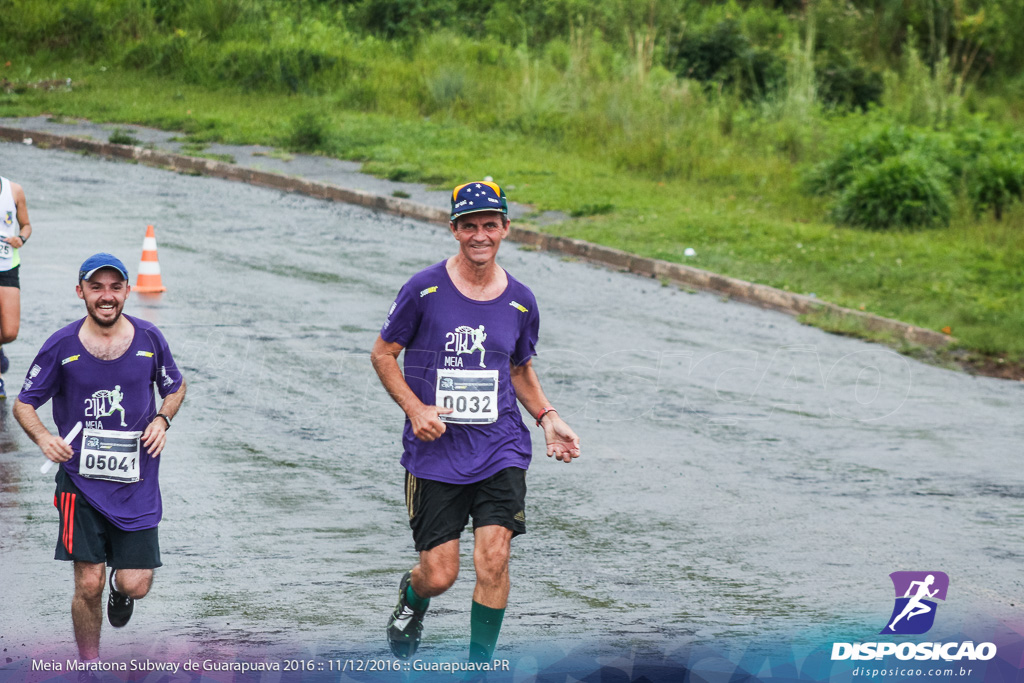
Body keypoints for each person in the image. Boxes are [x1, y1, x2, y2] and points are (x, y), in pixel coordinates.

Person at [371, 181, 581, 662]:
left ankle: (478, 668)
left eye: (490, 224)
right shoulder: (422, 290)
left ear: (505, 229)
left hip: (500, 445)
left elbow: (519, 368)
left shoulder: (522, 301)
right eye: (470, 226)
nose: (480, 234)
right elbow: (383, 354)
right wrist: (415, 408)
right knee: (440, 574)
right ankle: (412, 596)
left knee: (494, 558)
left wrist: (548, 417)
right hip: (435, 451)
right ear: (454, 230)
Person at [13, 253, 186, 665]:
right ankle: (88, 668)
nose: (106, 296)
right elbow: (23, 403)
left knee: (136, 583)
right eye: (96, 287)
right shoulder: (62, 346)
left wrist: (163, 419)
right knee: (87, 583)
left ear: (126, 291)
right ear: (81, 292)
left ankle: (119, 588)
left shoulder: (149, 339)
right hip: (80, 482)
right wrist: (43, 438)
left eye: (114, 287)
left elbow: (175, 387)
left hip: (136, 482)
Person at [0, 175, 33, 398]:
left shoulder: (14, 190)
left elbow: (27, 226)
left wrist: (20, 238)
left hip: (7, 265)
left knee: (10, 332)